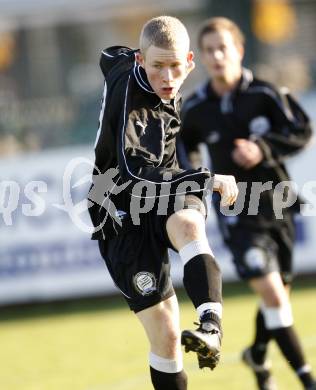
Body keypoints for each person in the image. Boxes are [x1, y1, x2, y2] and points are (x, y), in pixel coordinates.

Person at [87, 16, 238, 390]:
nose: (167, 77)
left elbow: (109, 55)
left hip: (164, 186)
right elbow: (137, 174)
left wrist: (122, 57)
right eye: (157, 67)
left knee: (188, 225)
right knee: (167, 335)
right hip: (119, 207)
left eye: (175, 66)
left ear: (190, 62)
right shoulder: (134, 100)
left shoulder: (131, 62)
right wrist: (206, 178)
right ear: (141, 61)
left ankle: (210, 326)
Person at [180, 16, 316, 390]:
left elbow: (302, 130)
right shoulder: (195, 108)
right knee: (272, 293)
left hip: (278, 205)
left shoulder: (265, 94)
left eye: (223, 48)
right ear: (201, 58)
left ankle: (257, 353)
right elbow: (184, 149)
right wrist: (196, 178)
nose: (217, 56)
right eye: (209, 50)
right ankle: (307, 379)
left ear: (238, 50)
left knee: (278, 300)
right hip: (237, 213)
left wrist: (262, 148)